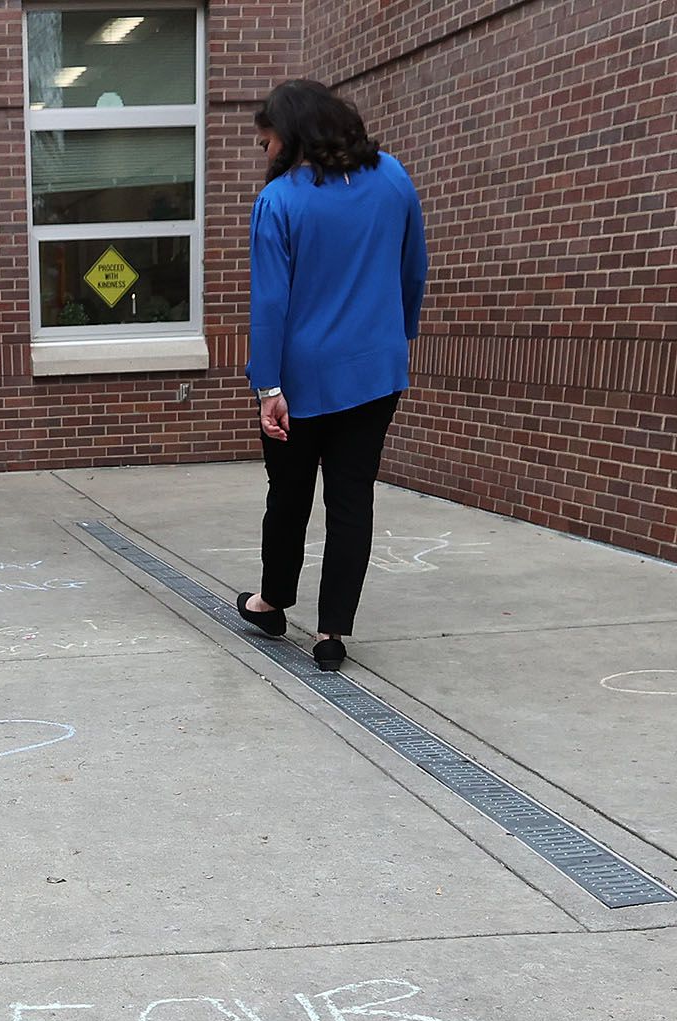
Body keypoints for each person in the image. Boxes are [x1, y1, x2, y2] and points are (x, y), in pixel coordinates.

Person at [239, 80, 427, 671]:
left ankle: (272, 604)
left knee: (288, 494)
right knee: (352, 501)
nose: (265, 155)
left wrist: (268, 385)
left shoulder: (281, 203)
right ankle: (331, 633)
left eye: (267, 142)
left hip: (300, 380)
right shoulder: (394, 178)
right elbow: (413, 270)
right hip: (375, 373)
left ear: (291, 138)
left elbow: (270, 303)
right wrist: (394, 339)